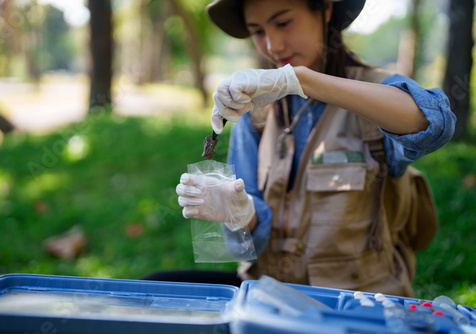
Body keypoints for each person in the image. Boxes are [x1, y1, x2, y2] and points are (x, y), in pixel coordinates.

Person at [173, 0, 456, 297]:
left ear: (326, 9)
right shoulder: (255, 109)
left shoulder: (376, 92)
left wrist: (302, 80)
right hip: (273, 301)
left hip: (358, 307)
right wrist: (239, 213)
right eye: (257, 31)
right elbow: (249, 243)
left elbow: (435, 122)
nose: (272, 44)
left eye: (283, 23)